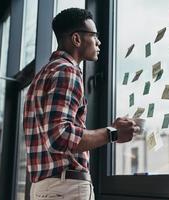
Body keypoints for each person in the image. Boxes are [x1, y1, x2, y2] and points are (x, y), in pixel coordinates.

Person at [23, 8, 140, 200]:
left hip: (44, 187)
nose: (99, 41)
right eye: (94, 35)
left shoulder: (42, 76)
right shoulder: (67, 71)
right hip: (66, 188)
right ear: (76, 39)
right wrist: (113, 133)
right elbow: (59, 136)